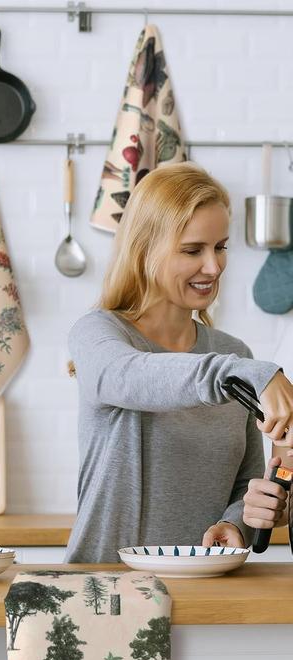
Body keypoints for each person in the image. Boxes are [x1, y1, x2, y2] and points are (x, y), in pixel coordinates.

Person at [67, 162, 293, 563]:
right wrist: (250, 374)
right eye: (193, 250)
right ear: (144, 250)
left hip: (205, 594)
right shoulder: (99, 334)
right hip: (104, 595)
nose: (214, 266)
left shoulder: (234, 354)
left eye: (220, 247)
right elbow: (128, 376)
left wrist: (239, 521)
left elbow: (246, 482)